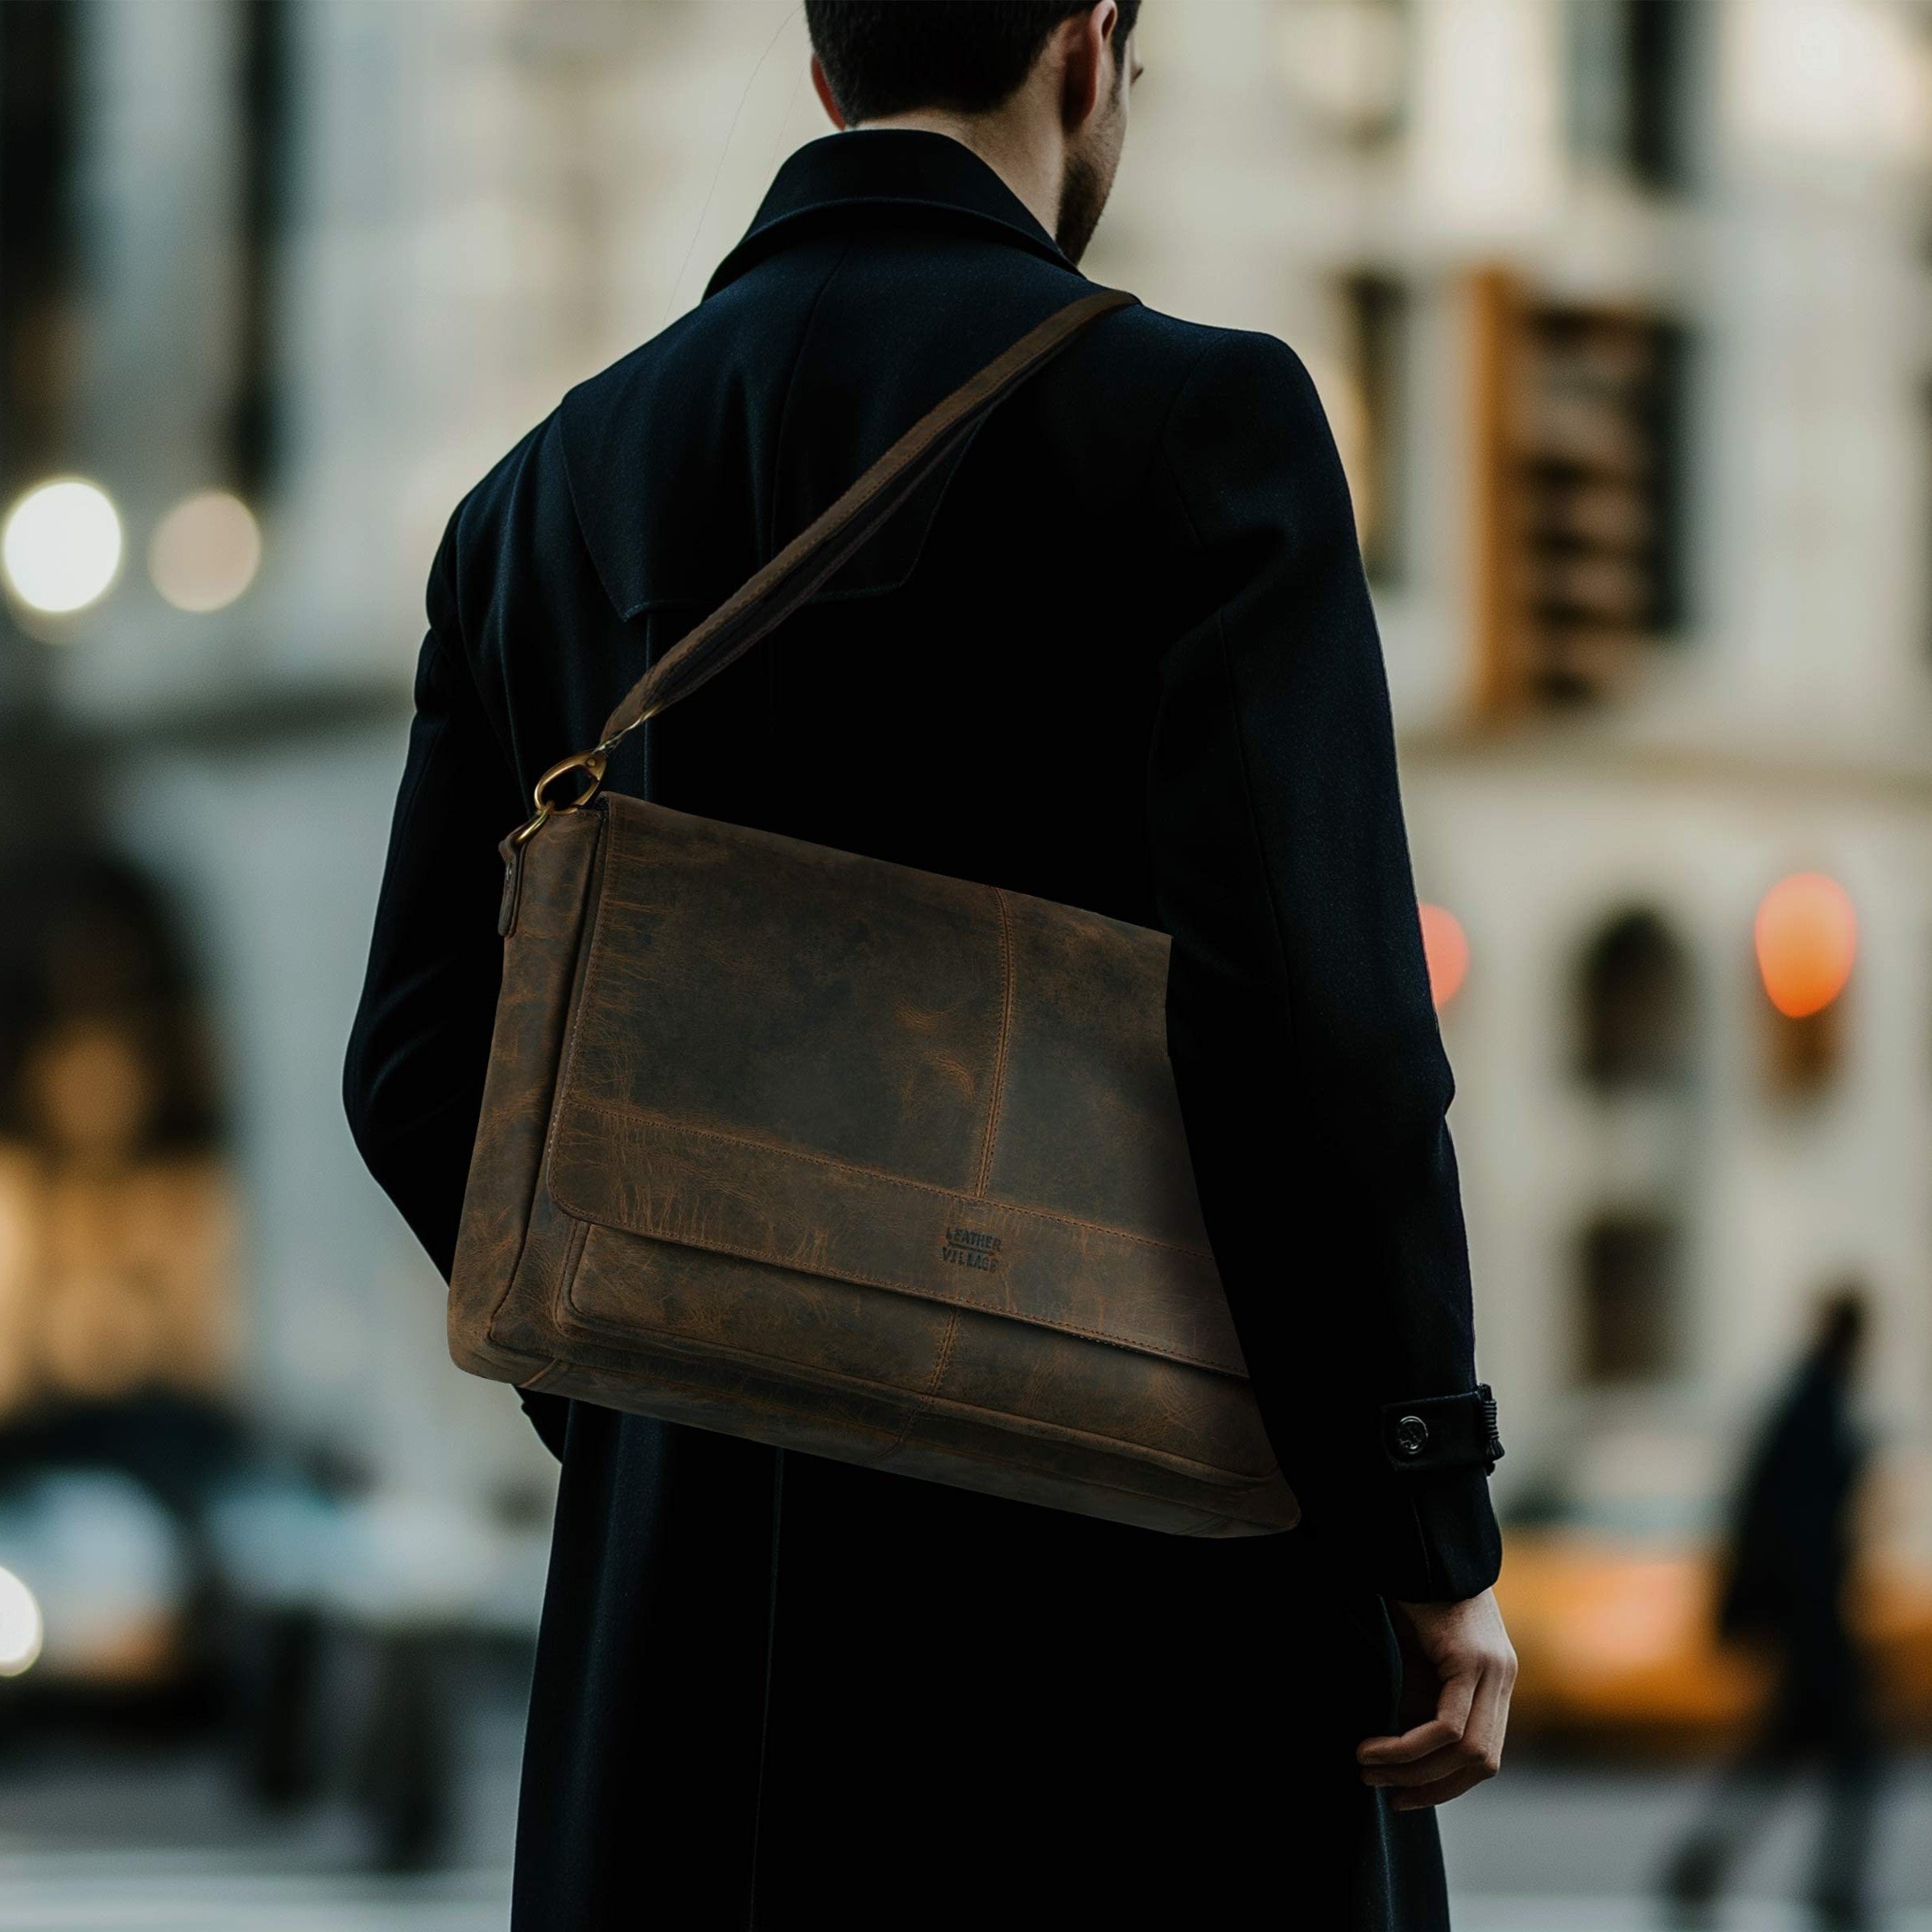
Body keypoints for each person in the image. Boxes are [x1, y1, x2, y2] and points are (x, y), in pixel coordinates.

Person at [343, 5, 1513, 1925]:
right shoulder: (1197, 422)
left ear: (825, 73)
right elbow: (1312, 1033)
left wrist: (681, 1365)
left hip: (684, 1642)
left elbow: (410, 1061)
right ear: (1084, 48)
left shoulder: (527, 504)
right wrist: (1424, 1519)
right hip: (1134, 1611)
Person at [1664, 1289, 1881, 1931]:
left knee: (1782, 1756)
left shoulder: (1813, 1400)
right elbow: (1795, 1530)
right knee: (1848, 1759)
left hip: (1809, 1621)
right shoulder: (1816, 1407)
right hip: (1814, 1623)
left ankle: (1702, 1867)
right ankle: (1834, 1893)